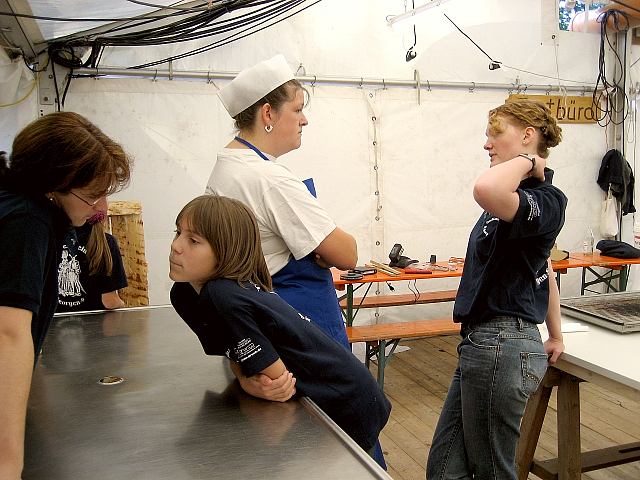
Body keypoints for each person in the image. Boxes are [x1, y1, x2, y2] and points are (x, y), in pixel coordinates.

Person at [169, 195, 391, 457]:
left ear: (226, 251)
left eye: (193, 240)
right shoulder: (184, 294)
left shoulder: (222, 296)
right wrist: (245, 379)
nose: (175, 246)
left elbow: (278, 382)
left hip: (346, 401)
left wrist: (251, 381)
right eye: (178, 232)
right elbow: (233, 351)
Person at [426, 100, 567, 480]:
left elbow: (484, 187)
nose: (487, 144)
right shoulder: (512, 199)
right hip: (482, 344)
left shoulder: (547, 199)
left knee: (493, 472)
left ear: (527, 135)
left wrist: (527, 161)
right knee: (443, 470)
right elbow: (544, 269)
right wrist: (555, 333)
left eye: (496, 133)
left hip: (502, 343)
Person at [0, 111, 131, 480]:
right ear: (53, 186)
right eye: (92, 196)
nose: (101, 208)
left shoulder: (16, 204)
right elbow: (8, 332)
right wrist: (8, 463)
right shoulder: (28, 219)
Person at [56, 202, 128, 312]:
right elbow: (110, 302)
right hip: (94, 325)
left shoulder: (44, 237)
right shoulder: (106, 242)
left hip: (48, 325)